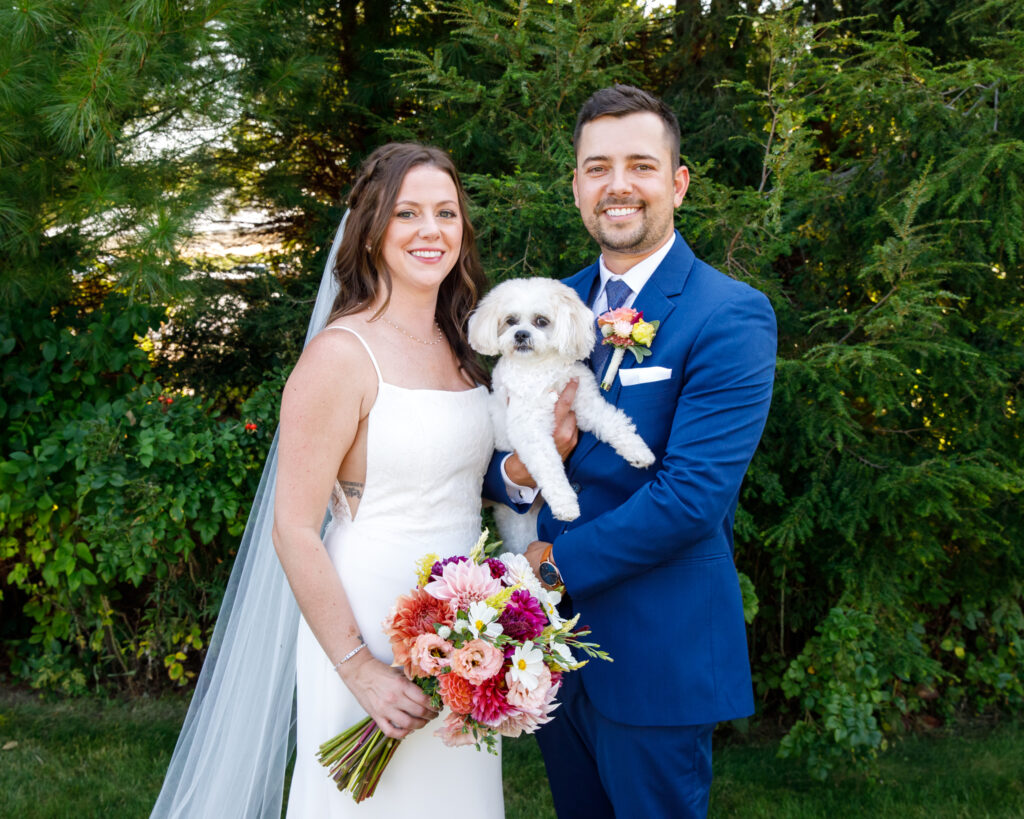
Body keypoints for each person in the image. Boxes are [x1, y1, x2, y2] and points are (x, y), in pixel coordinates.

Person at [152, 143, 503, 818]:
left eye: (446, 212)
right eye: (408, 213)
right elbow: (293, 527)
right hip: (366, 616)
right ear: (371, 230)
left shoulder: (462, 346)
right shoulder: (341, 355)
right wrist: (358, 666)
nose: (431, 230)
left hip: (467, 622)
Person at [486, 85, 777, 817]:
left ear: (677, 182)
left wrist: (548, 567)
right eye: (597, 167)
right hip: (550, 655)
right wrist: (522, 470)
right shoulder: (547, 300)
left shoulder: (729, 313)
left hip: (658, 650)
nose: (618, 185)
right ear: (577, 185)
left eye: (641, 165)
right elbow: (491, 452)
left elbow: (692, 498)